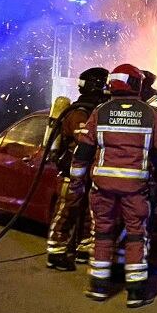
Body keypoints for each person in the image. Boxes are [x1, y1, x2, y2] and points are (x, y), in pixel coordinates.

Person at [69, 64, 157, 307]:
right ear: (136, 84)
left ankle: (98, 287)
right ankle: (135, 291)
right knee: (135, 236)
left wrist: (77, 183)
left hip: (102, 188)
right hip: (135, 189)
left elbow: (83, 151)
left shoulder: (100, 112)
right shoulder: (149, 114)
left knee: (101, 234)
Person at [46, 67, 109, 271]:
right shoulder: (79, 112)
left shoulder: (97, 111)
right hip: (72, 172)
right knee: (67, 210)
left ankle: (83, 249)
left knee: (90, 214)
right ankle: (55, 253)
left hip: (91, 172)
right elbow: (84, 139)